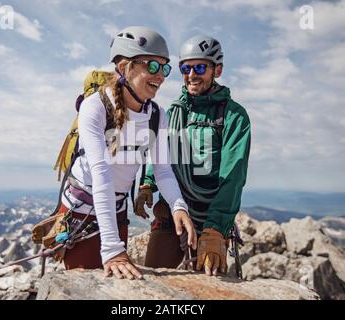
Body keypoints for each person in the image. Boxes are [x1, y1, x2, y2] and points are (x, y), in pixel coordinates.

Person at [58, 26, 197, 280]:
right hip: (82, 212)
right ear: (124, 68)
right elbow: (101, 172)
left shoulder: (156, 115)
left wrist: (179, 207)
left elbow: (163, 170)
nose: (161, 75)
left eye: (165, 68)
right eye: (152, 66)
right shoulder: (96, 106)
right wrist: (112, 248)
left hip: (116, 210)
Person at [135, 35, 251, 276]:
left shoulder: (233, 117)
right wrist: (148, 182)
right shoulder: (175, 111)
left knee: (209, 287)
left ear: (216, 70)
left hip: (209, 219)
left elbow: (233, 177)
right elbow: (163, 154)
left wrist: (216, 229)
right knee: (155, 279)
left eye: (199, 67)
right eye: (185, 68)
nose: (191, 75)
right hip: (171, 213)